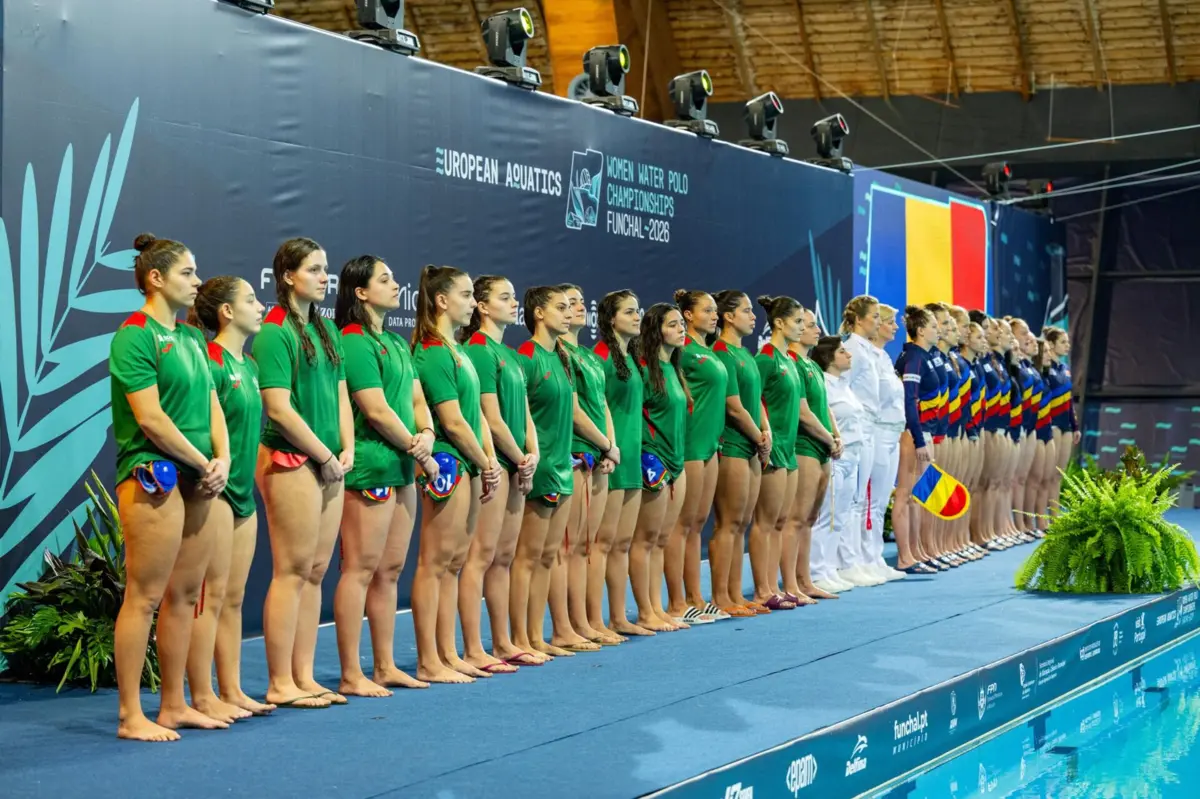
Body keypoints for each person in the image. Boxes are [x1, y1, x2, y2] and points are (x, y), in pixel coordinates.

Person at [110, 234, 231, 741]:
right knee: (144, 596)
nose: (197, 281)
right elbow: (152, 420)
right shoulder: (134, 335)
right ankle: (129, 714)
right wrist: (205, 461)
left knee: (185, 595)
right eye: (187, 272)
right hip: (154, 474)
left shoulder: (190, 339)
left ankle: (174, 704)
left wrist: (221, 457)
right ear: (155, 279)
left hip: (200, 475)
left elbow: (211, 405)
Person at [254, 237, 352, 709]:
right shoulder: (274, 332)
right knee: (291, 571)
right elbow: (278, 408)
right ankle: (279, 682)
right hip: (291, 460)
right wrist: (323, 454)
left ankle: (305, 675)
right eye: (314, 269)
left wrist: (345, 447)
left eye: (325, 269)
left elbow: (339, 395)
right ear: (288, 276)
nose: (324, 277)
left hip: (331, 461)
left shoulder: (327, 330)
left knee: (315, 573)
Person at [333, 255, 437, 695]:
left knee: (390, 571)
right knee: (359, 569)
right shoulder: (354, 341)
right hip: (373, 465)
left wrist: (428, 431)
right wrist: (416, 445)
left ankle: (385, 664)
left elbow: (415, 399)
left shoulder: (395, 344)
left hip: (402, 468)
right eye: (385, 279)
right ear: (360, 292)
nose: (396, 285)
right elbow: (374, 409)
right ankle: (351, 672)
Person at [184, 275, 275, 723]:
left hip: (244, 493)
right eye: (251, 300)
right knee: (210, 596)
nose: (261, 306)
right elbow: (201, 424)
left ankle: (232, 688)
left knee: (233, 597)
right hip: (216, 491)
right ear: (226, 312)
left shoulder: (251, 367)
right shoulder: (212, 360)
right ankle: (201, 695)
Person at [411, 264, 503, 683]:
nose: (472, 303)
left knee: (454, 563)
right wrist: (485, 461)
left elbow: (479, 417)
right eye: (466, 295)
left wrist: (489, 458)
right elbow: (452, 421)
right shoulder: (430, 352)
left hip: (470, 463)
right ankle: (430, 658)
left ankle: (448, 652)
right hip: (449, 460)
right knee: (435, 562)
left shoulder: (459, 351)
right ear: (442, 301)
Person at [460, 276, 541, 669]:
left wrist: (532, 452)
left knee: (504, 557)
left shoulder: (508, 353)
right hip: (499, 461)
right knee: (481, 556)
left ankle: (504, 641)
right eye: (504, 297)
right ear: (482, 306)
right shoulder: (477, 350)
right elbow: (489, 417)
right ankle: (474, 648)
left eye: (514, 296)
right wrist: (518, 456)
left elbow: (523, 411)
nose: (514, 303)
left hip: (517, 463)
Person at [515, 286, 599, 656]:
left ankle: (540, 635)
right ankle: (521, 638)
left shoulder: (560, 359)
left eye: (571, 307)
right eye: (561, 307)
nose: (570, 313)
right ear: (538, 313)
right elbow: (520, 415)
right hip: (541, 466)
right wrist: (531, 457)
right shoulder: (528, 356)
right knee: (528, 557)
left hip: (562, 465)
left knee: (549, 556)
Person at [560, 284, 622, 644]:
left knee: (588, 544)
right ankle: (569, 625)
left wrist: (610, 446)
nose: (579, 308)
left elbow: (602, 404)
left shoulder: (588, 356)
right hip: (579, 453)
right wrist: (603, 444)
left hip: (599, 454)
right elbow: (575, 411)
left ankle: (589, 620)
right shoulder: (562, 354)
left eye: (582, 302)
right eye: (569, 303)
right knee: (570, 546)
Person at [667, 290, 728, 624]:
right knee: (681, 525)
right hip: (690, 444)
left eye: (716, 310)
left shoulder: (707, 350)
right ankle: (676, 601)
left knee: (696, 526)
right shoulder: (683, 350)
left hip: (710, 444)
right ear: (688, 315)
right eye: (707, 310)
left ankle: (696, 596)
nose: (714, 315)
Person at [710, 290, 771, 616]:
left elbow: (756, 400)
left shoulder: (745, 354)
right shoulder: (721, 351)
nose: (753, 316)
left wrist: (766, 430)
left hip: (752, 444)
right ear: (728, 316)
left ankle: (735, 592)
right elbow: (732, 407)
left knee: (742, 523)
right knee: (728, 523)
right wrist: (758, 435)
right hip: (734, 444)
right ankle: (721, 595)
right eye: (747, 311)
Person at [592, 290, 650, 637]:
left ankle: (618, 616)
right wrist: (607, 449)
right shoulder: (601, 357)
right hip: (611, 459)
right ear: (611, 319)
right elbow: (596, 410)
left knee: (622, 544)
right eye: (629, 312)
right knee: (602, 543)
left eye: (638, 310)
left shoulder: (631, 358)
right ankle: (594, 620)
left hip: (632, 457)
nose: (637, 316)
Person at [631, 303, 691, 630]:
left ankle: (657, 607)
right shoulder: (644, 368)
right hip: (653, 458)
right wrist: (647, 453)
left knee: (661, 539)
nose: (681, 329)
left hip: (676, 459)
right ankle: (644, 611)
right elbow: (634, 415)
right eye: (673, 324)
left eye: (682, 323)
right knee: (646, 538)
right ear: (656, 330)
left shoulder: (673, 367)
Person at [839, 295, 904, 587]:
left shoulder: (875, 353)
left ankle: (872, 557)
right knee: (857, 501)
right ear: (860, 319)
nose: (880, 323)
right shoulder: (852, 348)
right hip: (865, 427)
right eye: (876, 317)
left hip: (882, 427)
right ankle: (850, 561)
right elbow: (843, 388)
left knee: (875, 502)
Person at [750, 296, 805, 612]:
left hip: (790, 448)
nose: (801, 327)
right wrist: (765, 433)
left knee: (781, 520)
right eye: (797, 321)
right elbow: (753, 399)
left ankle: (774, 585)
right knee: (765, 521)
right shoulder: (766, 359)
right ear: (780, 323)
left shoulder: (790, 361)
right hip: (772, 449)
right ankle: (762, 588)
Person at [787, 306, 844, 598]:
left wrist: (835, 434)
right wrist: (827, 437)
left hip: (822, 446)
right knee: (796, 517)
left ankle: (805, 580)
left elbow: (824, 407)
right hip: (805, 445)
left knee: (809, 518)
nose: (817, 330)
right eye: (809, 325)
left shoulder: (811, 366)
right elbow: (804, 412)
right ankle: (791, 583)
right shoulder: (793, 363)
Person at [811, 336, 868, 594]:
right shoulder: (823, 383)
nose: (849, 355)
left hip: (853, 453)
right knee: (826, 515)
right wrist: (833, 440)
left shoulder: (844, 385)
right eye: (842, 351)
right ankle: (815, 570)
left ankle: (830, 567)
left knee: (840, 517)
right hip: (836, 454)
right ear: (828, 357)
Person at [892, 305, 943, 575]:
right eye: (934, 326)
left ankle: (916, 552)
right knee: (905, 493)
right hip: (914, 432)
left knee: (917, 496)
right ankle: (904, 557)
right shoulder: (914, 357)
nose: (939, 330)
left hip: (923, 430)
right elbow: (909, 401)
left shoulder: (922, 355)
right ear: (921, 330)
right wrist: (919, 438)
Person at [866, 305, 915, 576]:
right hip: (874, 432)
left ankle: (873, 559)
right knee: (866, 502)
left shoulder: (883, 356)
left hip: (891, 433)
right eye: (890, 322)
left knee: (879, 502)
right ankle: (859, 560)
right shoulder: (864, 355)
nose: (896, 327)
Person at [1043, 327, 1079, 519]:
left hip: (1065, 425)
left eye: (1068, 342)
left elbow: (1069, 400)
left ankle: (1055, 516)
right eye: (1063, 342)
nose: (1067, 346)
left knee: (1058, 474)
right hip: (1052, 424)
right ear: (1051, 344)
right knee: (1047, 474)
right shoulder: (1045, 369)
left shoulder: (1065, 369)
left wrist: (1075, 426)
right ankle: (1040, 515)